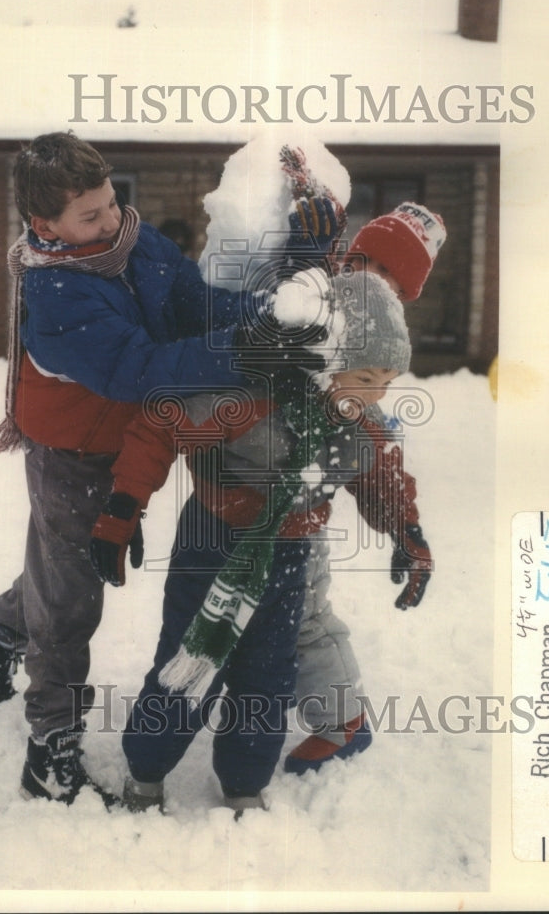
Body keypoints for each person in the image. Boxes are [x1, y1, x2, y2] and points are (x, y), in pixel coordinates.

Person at [0, 131, 327, 806]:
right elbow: (138, 369)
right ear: (45, 225)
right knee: (69, 599)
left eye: (109, 203)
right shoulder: (56, 293)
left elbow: (193, 303)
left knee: (63, 562)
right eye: (88, 216)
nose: (108, 220)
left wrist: (272, 322)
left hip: (129, 441)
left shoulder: (134, 242)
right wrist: (246, 351)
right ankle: (49, 747)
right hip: (72, 455)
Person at [89, 269, 417, 815]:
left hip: (288, 553)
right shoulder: (249, 398)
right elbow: (160, 426)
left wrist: (409, 532)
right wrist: (124, 507)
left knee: (268, 671)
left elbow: (382, 474)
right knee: (190, 662)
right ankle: (146, 773)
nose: (374, 396)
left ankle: (244, 782)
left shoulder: (358, 423)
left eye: (387, 381)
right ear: (327, 361)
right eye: (364, 378)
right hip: (212, 541)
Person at [281, 197, 446, 774]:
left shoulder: (370, 355)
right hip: (243, 504)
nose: (375, 287)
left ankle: (343, 721)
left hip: (299, 517)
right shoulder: (308, 304)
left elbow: (375, 455)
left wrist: (408, 526)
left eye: (393, 286)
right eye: (368, 267)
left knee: (304, 615)